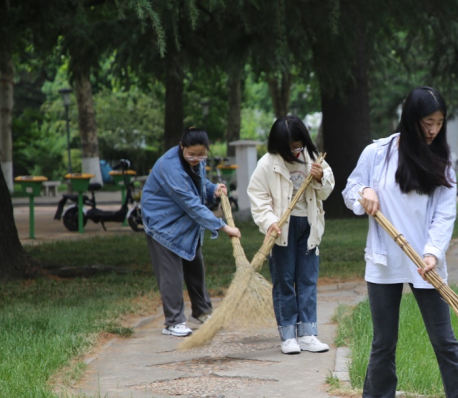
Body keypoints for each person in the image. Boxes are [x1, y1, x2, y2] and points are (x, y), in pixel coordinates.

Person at [342, 86, 458, 398]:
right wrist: (364, 193)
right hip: (384, 262)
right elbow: (351, 188)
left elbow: (444, 215)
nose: (433, 130)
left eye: (439, 123)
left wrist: (432, 253)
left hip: (426, 263)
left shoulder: (442, 162)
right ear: (411, 119)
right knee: (384, 340)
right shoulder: (377, 153)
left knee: (445, 339)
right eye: (428, 122)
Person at [142, 128, 241, 337]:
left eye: (201, 155)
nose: (196, 159)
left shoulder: (197, 160)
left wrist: (212, 188)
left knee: (195, 265)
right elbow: (192, 204)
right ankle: (173, 322)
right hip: (162, 223)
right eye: (191, 155)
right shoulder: (170, 167)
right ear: (181, 147)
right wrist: (223, 226)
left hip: (184, 220)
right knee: (172, 274)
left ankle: (202, 312)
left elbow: (198, 182)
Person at [248, 115, 335, 355]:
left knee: (307, 279)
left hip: (309, 226)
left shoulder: (313, 158)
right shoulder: (267, 163)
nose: (296, 151)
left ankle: (308, 333)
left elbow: (327, 190)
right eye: (290, 148)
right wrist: (269, 222)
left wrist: (320, 177)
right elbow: (258, 197)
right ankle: (288, 335)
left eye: (299, 145)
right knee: (284, 281)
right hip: (282, 229)